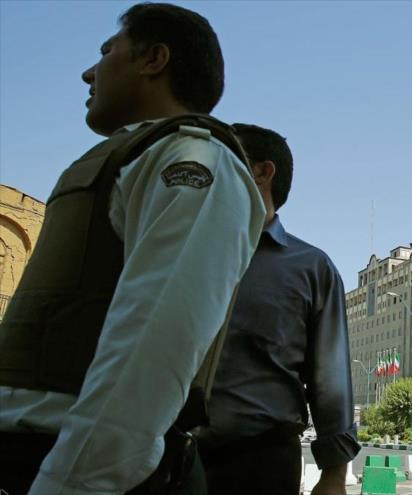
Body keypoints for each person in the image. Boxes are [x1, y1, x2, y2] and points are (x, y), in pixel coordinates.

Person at [0, 3, 265, 494]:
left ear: (154, 60)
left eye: (106, 51)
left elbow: (155, 333)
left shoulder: (192, 155)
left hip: (77, 466)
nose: (88, 71)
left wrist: (70, 482)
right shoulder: (128, 154)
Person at [196, 123, 360, 495]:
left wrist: (334, 475)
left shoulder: (310, 268)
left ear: (261, 172)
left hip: (259, 464)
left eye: (222, 159)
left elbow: (329, 378)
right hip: (164, 455)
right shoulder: (179, 250)